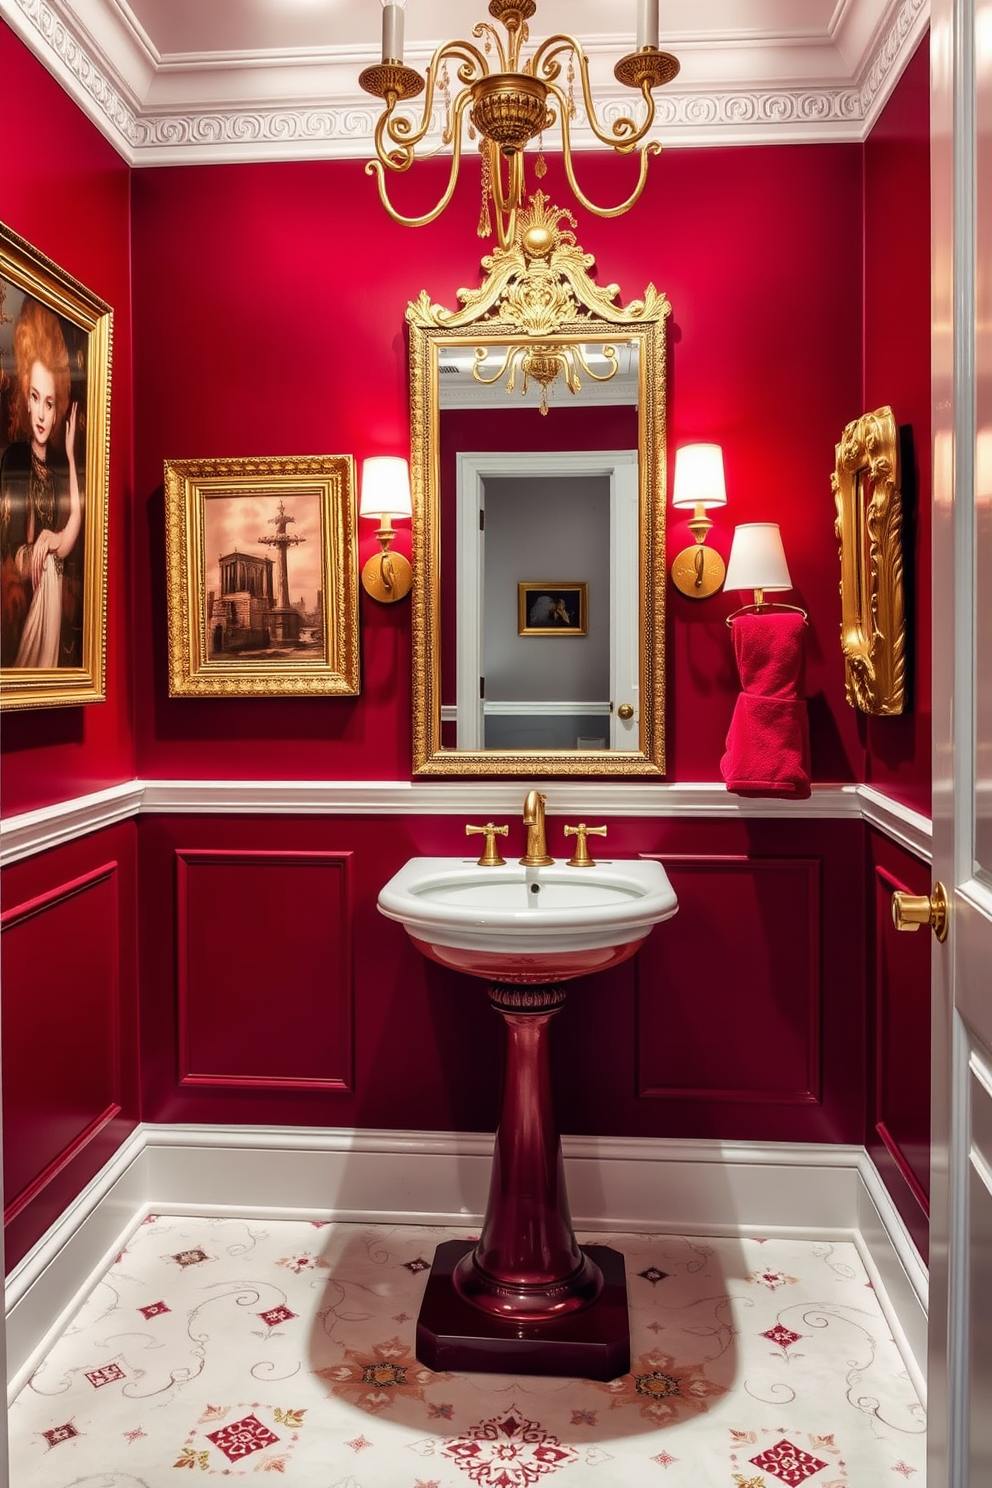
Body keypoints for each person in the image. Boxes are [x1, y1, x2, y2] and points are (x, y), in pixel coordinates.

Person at [0, 298, 81, 668]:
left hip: (51, 574)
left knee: (51, 563)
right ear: (26, 400)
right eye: (36, 398)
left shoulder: (62, 469)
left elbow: (67, 542)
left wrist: (52, 539)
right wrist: (33, 550)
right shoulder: (14, 458)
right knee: (46, 563)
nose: (43, 414)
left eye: (50, 403)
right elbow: (8, 541)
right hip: (25, 570)